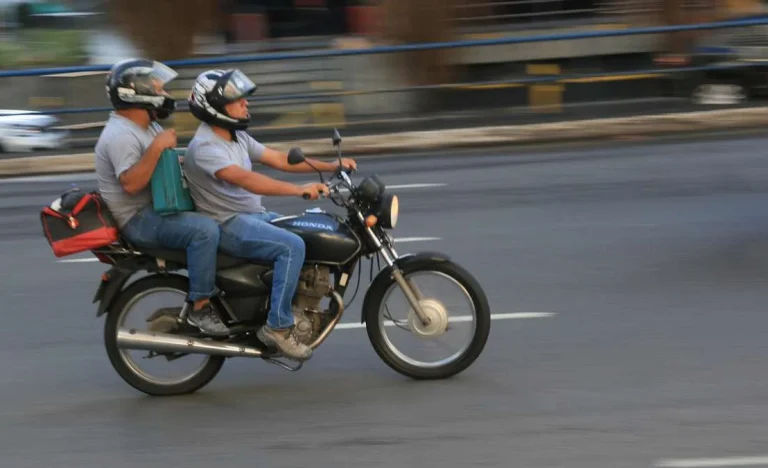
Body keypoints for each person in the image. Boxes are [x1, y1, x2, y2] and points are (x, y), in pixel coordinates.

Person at [183, 68, 357, 361]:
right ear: (214, 107)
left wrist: (329, 166)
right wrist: (298, 190)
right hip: (227, 224)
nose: (245, 104)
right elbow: (247, 179)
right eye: (237, 100)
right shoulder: (205, 147)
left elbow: (278, 159)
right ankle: (277, 326)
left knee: (307, 229)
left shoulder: (235, 137)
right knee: (292, 246)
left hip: (251, 215)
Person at [94, 58, 230, 337]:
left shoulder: (145, 125)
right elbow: (131, 183)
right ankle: (200, 307)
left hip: (156, 207)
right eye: (158, 88)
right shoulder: (120, 134)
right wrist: (157, 147)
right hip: (139, 219)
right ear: (136, 94)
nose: (165, 94)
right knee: (204, 232)